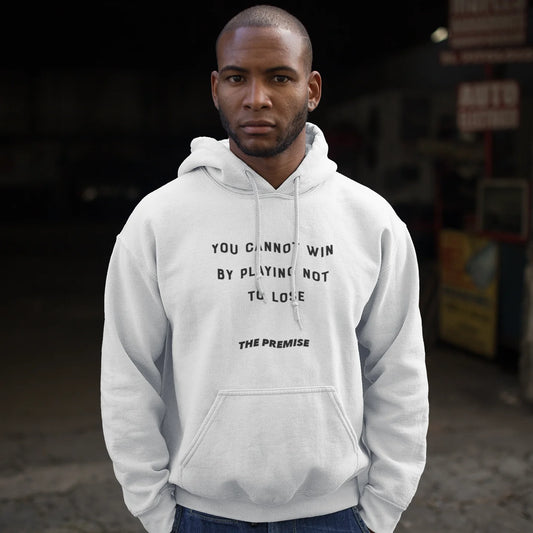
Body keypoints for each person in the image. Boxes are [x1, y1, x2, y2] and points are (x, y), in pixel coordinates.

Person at [100, 5, 429, 533]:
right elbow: (127, 371)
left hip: (337, 516)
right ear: (215, 88)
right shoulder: (159, 219)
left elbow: (398, 368)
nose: (257, 98)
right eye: (237, 78)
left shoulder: (370, 220)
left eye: (279, 77)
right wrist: (156, 511)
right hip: (200, 516)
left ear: (313, 89)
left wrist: (382, 509)